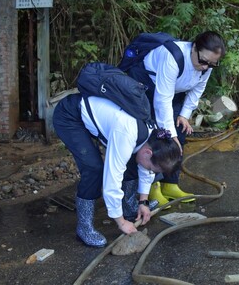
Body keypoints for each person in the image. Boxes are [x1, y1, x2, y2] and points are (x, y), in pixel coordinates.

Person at [53, 93, 182, 247]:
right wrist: (121, 222)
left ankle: (130, 207)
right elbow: (111, 180)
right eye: (151, 168)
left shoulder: (155, 139)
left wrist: (143, 202)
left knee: (135, 161)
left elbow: (146, 169)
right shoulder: (127, 134)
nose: (150, 172)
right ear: (148, 153)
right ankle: (84, 227)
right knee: (94, 169)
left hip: (104, 120)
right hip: (70, 115)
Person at [125, 31, 226, 206]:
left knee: (180, 130)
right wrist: (168, 134)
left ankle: (170, 183)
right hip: (146, 87)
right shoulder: (172, 56)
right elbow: (162, 100)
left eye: (211, 65)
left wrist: (184, 115)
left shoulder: (206, 66)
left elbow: (197, 91)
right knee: (156, 137)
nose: (205, 67)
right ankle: (152, 187)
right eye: (202, 61)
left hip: (174, 91)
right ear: (194, 47)